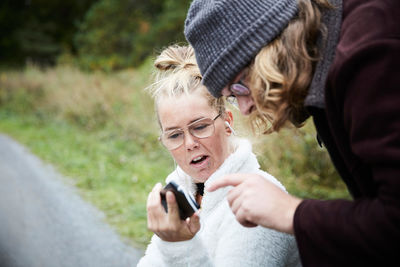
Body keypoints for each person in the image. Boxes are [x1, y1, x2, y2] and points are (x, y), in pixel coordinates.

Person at [184, 0, 400, 266]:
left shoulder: (369, 56)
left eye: (239, 87)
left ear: (268, 48)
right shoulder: (324, 55)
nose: (246, 108)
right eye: (231, 98)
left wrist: (290, 212)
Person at [137, 45, 301, 266]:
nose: (189, 144)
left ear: (227, 123)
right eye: (174, 135)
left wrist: (178, 246)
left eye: (200, 127)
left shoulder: (258, 204)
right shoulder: (181, 191)